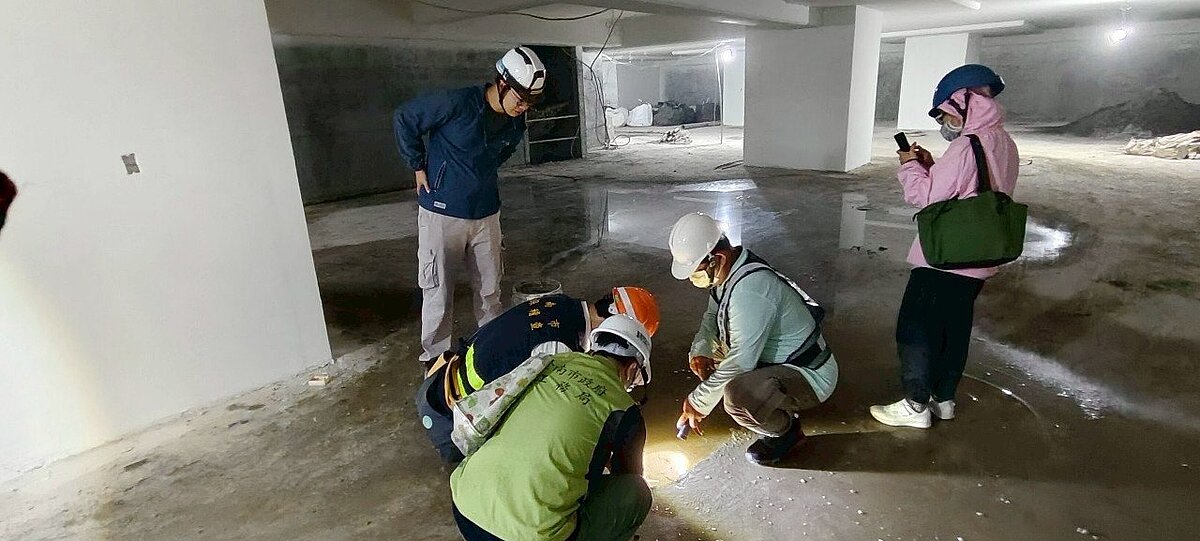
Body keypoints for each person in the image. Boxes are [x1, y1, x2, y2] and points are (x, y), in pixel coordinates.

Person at [869, 64, 1019, 429]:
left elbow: (926, 197)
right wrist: (932, 165)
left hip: (947, 257)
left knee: (916, 326)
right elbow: (975, 187)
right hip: (981, 256)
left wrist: (909, 166)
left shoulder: (967, 146)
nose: (945, 122)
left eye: (947, 113)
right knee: (954, 328)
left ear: (965, 102)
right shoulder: (1002, 142)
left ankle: (915, 404)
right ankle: (944, 398)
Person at [393, 46, 547, 366]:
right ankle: (435, 358)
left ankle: (490, 348)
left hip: (486, 214)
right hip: (442, 212)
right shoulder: (458, 103)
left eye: (530, 102)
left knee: (490, 289)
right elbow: (405, 118)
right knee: (438, 289)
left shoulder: (515, 122)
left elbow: (498, 157)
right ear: (502, 84)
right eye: (520, 99)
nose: (523, 107)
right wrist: (418, 165)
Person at [450, 314, 653, 541]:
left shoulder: (549, 362)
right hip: (530, 535)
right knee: (637, 492)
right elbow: (625, 477)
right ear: (633, 367)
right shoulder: (626, 411)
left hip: (465, 507)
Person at [415, 287, 659, 463]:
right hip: (450, 419)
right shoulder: (556, 349)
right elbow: (543, 421)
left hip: (441, 380)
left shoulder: (563, 305)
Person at [669, 213, 839, 465]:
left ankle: (786, 433)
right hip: (776, 359)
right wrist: (701, 350)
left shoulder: (751, 290)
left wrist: (698, 402)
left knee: (738, 396)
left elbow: (740, 362)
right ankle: (773, 400)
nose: (694, 278)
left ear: (718, 258)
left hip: (809, 374)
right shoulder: (729, 272)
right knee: (719, 369)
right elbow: (711, 316)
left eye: (697, 270)